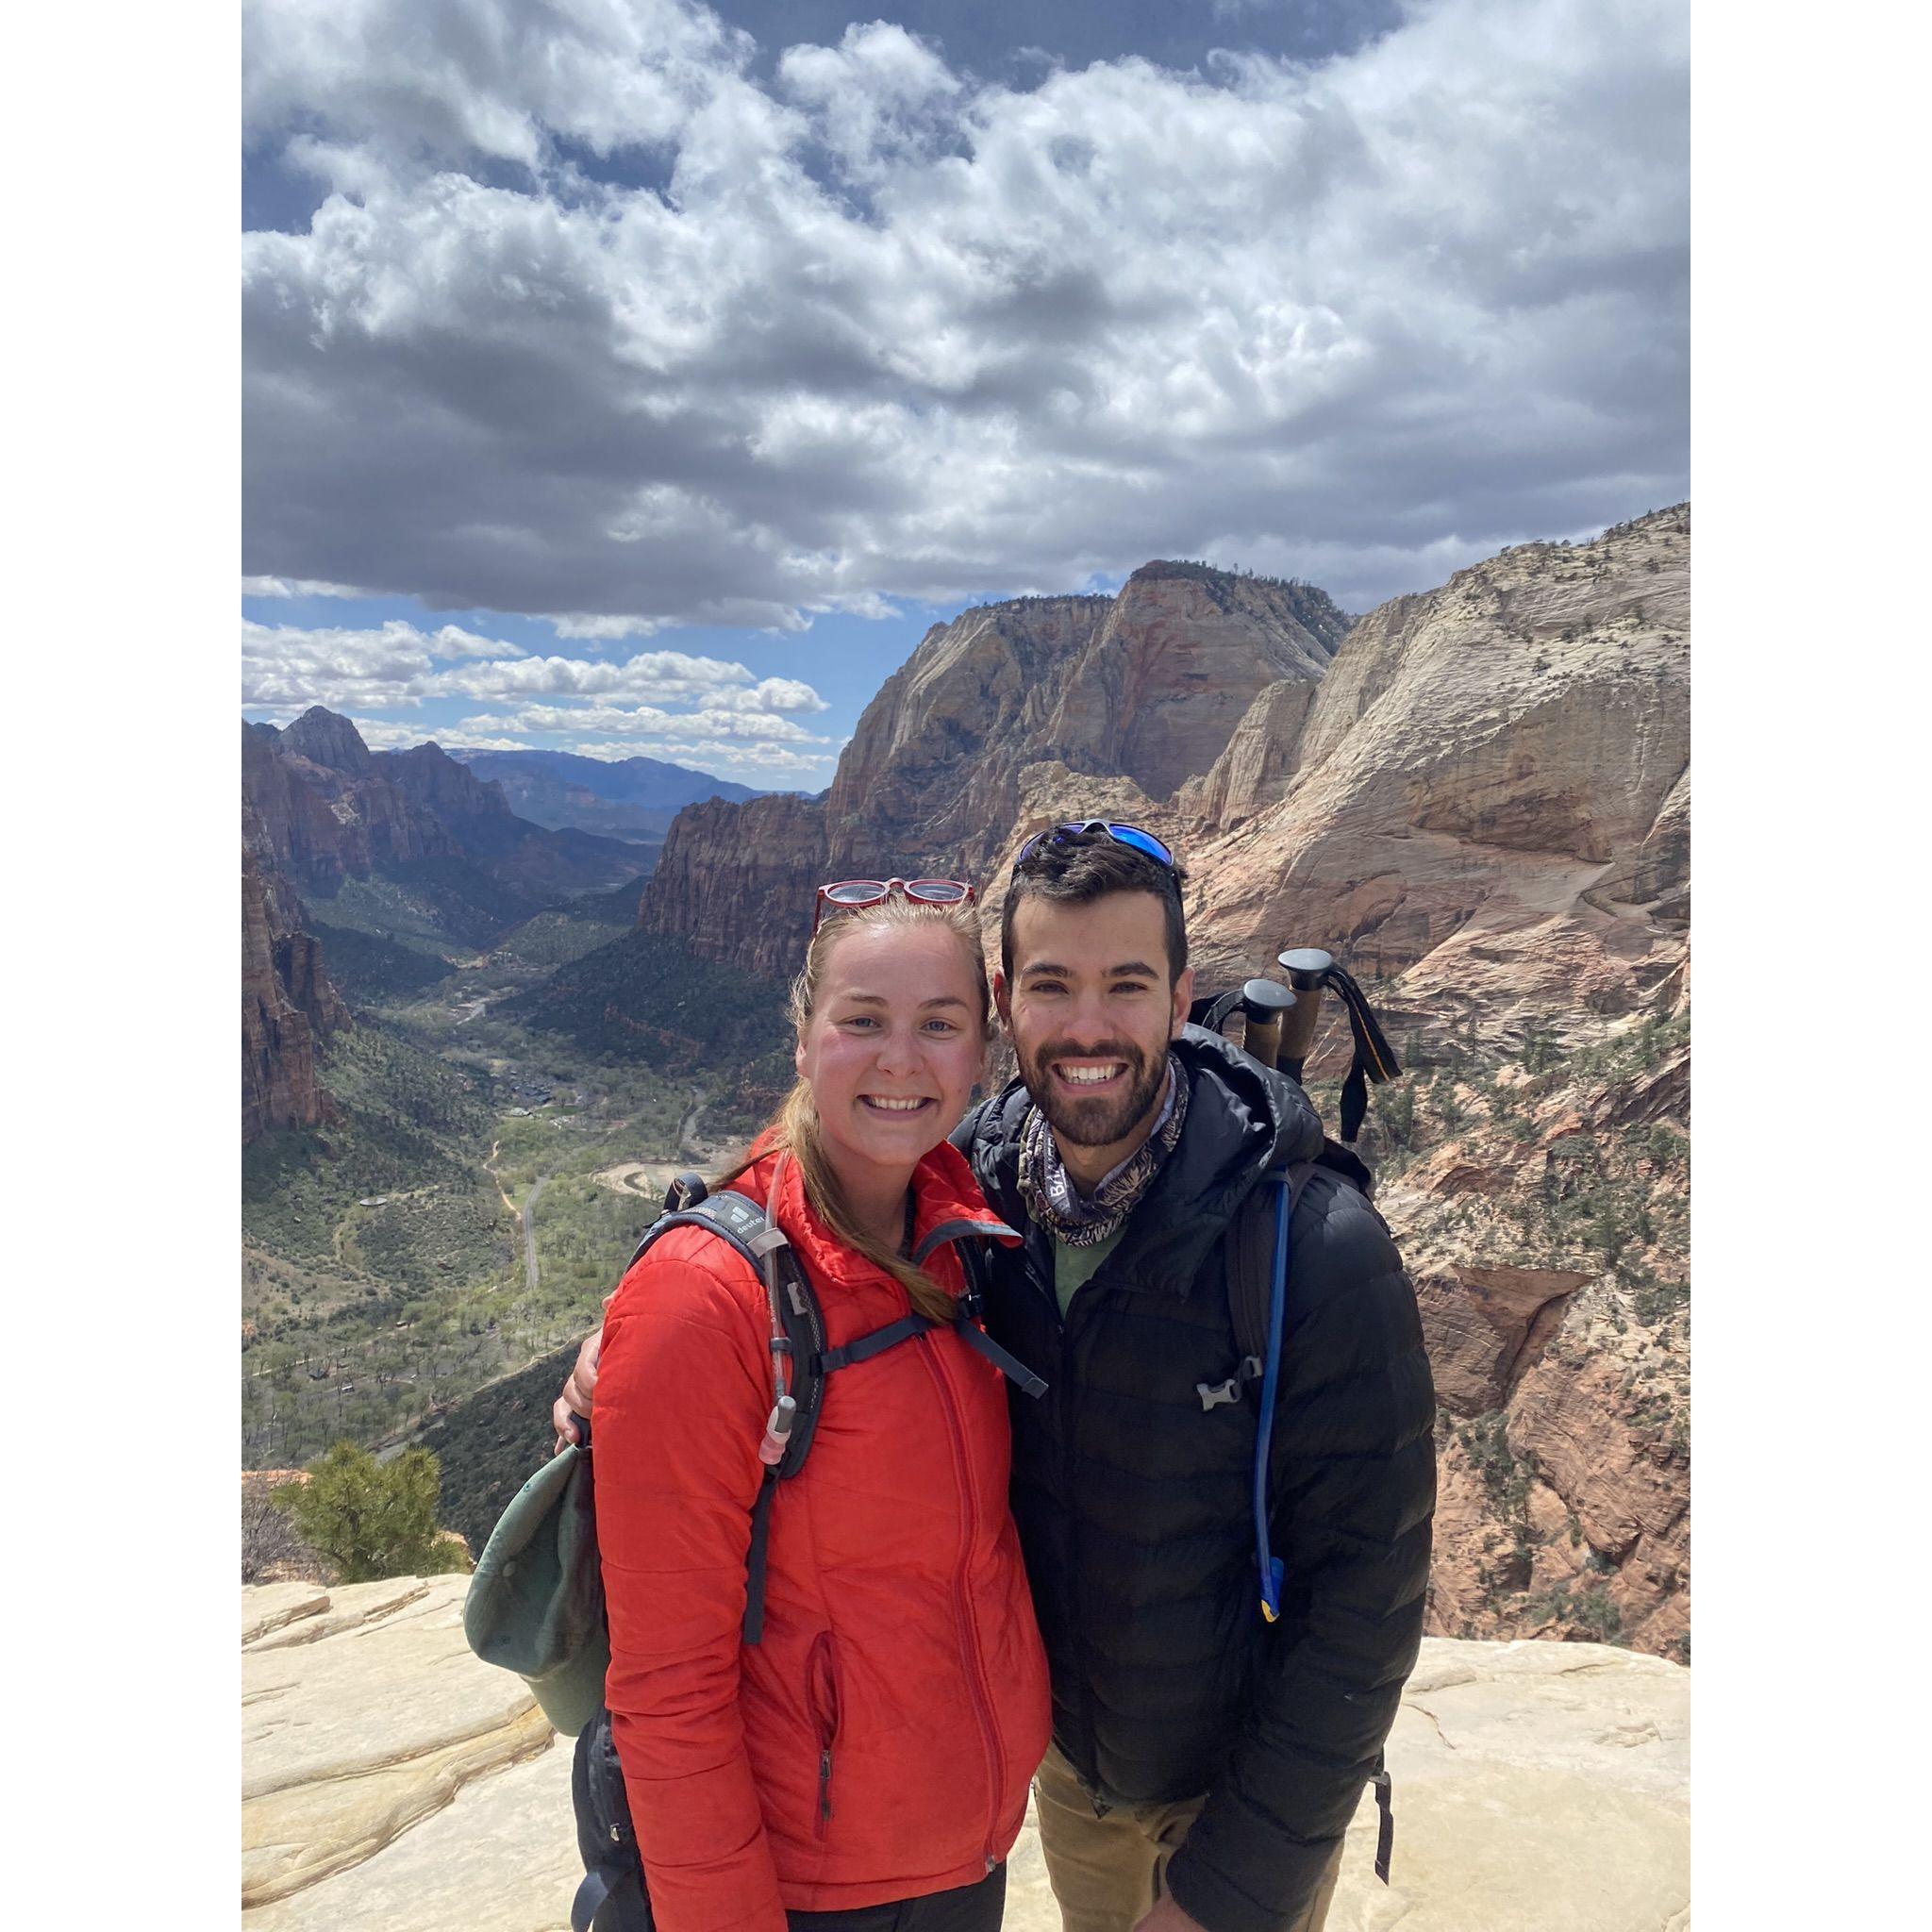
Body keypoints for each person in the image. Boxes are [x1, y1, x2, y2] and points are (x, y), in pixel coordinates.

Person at [560, 826, 1435, 1932]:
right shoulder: (975, 1193)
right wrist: (644, 1330)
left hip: (1232, 1794)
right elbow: (813, 1176)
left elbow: (1361, 1608)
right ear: (1007, 1007)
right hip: (1057, 1787)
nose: (1085, 1026)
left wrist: (1230, 1890)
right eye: (1050, 985)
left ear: (1179, 1000)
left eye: (1125, 984)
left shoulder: (1312, 1244)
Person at [589, 883, 1051, 1932]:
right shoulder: (708, 1294)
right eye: (861, 1020)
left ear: (979, 1048)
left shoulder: (964, 1225)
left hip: (965, 1850)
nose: (901, 1058)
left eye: (938, 1024)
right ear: (802, 1037)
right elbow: (666, 1687)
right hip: (809, 1891)